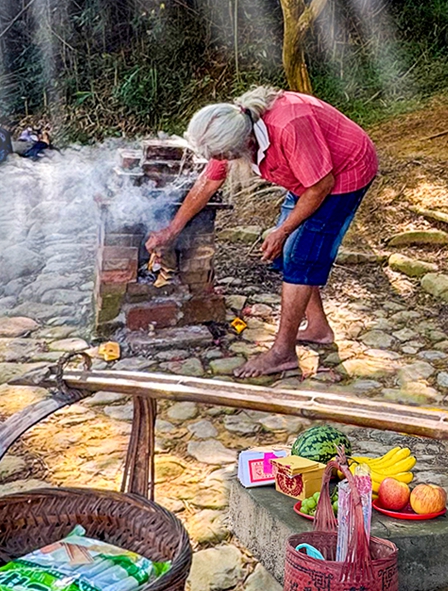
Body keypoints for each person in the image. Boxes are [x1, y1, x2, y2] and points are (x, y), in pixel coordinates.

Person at [147, 84, 377, 378]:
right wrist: (171, 230)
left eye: (222, 155)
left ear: (239, 145)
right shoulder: (233, 126)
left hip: (344, 172)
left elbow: (321, 186)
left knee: (300, 256)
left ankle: (282, 354)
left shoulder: (289, 126)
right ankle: (318, 329)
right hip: (310, 177)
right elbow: (207, 182)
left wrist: (281, 231)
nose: (222, 160)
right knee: (288, 255)